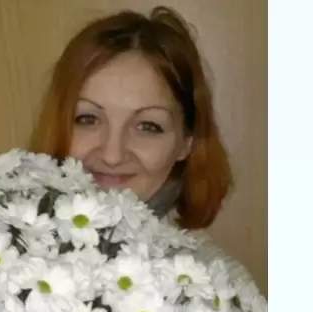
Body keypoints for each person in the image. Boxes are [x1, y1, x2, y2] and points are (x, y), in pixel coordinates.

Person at [30, 5, 263, 294]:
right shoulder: (4, 255)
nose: (112, 155)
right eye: (88, 119)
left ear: (185, 143)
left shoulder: (222, 291)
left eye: (148, 126)